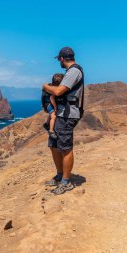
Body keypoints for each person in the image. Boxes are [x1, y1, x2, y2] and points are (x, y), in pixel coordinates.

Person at [42, 47, 85, 195]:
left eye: (58, 59)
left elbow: (58, 91)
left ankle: (66, 182)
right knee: (54, 146)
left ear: (61, 58)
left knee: (65, 148)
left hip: (68, 115)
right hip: (61, 113)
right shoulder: (70, 72)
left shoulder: (74, 71)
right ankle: (60, 175)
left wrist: (45, 86)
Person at [42, 73, 64, 140]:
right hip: (49, 103)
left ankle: (46, 124)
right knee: (53, 116)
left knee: (51, 114)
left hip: (46, 103)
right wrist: (55, 107)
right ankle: (51, 131)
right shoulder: (54, 89)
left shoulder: (49, 86)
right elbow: (52, 98)